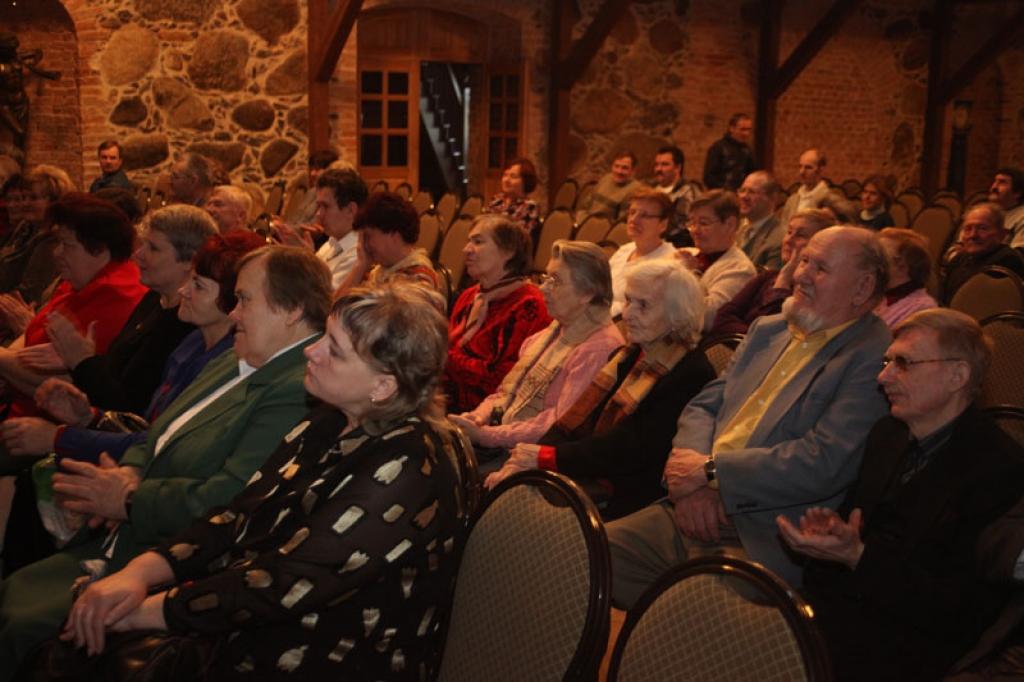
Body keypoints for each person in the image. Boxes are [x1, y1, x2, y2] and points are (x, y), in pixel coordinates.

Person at [22, 284, 469, 680]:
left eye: (334, 349)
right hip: (258, 619)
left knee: (81, 646)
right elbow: (240, 514)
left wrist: (143, 612)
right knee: (74, 638)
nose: (311, 351)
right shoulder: (331, 420)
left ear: (383, 387)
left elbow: (288, 581)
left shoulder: (414, 463)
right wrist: (140, 573)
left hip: (329, 654)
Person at [0, 246, 331, 676]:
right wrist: (129, 471)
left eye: (244, 299)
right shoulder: (241, 355)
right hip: (133, 536)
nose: (233, 312)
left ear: (292, 309)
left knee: (22, 625)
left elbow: (231, 497)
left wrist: (129, 498)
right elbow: (159, 433)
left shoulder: (294, 386)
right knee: (15, 590)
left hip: (176, 557)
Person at [606, 226, 892, 608]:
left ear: (862, 288)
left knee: (690, 613)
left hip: (759, 533)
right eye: (804, 260)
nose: (801, 274)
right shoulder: (768, 330)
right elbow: (704, 406)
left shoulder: (873, 356)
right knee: (580, 555)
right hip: (689, 507)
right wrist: (692, 485)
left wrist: (713, 474)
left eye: (820, 268)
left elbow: (824, 461)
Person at [777, 309, 1024, 681]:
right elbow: (860, 532)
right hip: (845, 611)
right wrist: (832, 537)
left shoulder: (998, 466)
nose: (883, 377)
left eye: (904, 363)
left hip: (913, 646)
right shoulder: (887, 434)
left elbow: (960, 609)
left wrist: (858, 557)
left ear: (958, 376)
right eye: (887, 362)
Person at [484, 258, 716, 520]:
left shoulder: (690, 372)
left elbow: (628, 450)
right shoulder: (627, 355)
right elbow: (571, 422)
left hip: (628, 495)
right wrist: (528, 459)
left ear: (678, 315)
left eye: (643, 305)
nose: (627, 314)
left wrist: (547, 457)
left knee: (511, 508)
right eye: (628, 301)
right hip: (588, 470)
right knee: (498, 488)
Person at [449, 240, 623, 461]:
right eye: (545, 278)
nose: (543, 288)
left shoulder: (598, 348)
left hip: (531, 459)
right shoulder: (551, 332)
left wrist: (486, 436)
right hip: (501, 440)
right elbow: (506, 394)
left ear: (587, 292)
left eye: (555, 280)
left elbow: (557, 425)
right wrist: (478, 417)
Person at [0, 193, 147, 427]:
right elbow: (32, 334)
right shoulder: (81, 279)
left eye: (67, 245)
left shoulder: (118, 297)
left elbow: (59, 383)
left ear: (100, 250)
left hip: (44, 427)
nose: (56, 252)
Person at [445, 215, 551, 414]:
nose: (466, 249)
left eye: (478, 242)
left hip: (488, 415)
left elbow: (503, 381)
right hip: (449, 403)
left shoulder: (530, 306)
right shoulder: (470, 296)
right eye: (468, 241)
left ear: (508, 252)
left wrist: (442, 357)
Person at [710, 208, 833, 337]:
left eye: (801, 235)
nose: (789, 240)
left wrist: (783, 280)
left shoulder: (810, 290)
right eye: (789, 232)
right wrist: (752, 335)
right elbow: (722, 318)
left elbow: (775, 335)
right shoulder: (767, 276)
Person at [678, 190, 756, 332]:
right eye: (692, 223)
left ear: (730, 225)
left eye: (703, 223)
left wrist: (689, 275)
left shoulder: (739, 269)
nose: (695, 230)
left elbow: (708, 317)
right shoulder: (691, 255)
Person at [334, 191, 440, 296]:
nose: (363, 245)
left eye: (368, 236)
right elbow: (337, 306)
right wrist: (360, 265)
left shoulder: (419, 280)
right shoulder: (380, 272)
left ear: (393, 234)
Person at [0, 165, 74, 304]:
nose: (25, 203)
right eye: (24, 197)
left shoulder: (53, 239)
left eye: (33, 198)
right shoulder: (26, 229)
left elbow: (29, 293)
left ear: (55, 202)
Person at [608, 189, 680, 318]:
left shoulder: (669, 263)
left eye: (645, 215)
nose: (634, 219)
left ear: (663, 224)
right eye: (632, 212)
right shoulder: (624, 250)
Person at [940, 203, 1024, 304]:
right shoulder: (959, 258)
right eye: (968, 229)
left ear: (1002, 234)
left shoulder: (1007, 261)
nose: (973, 235)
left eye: (982, 228)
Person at [310, 167, 369, 288]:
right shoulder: (331, 243)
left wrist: (306, 257)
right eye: (319, 206)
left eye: (325, 206)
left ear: (351, 210)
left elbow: (321, 297)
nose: (318, 214)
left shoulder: (358, 254)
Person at [873, 228, 937, 328]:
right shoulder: (875, 295)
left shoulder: (922, 309)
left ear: (903, 266)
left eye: (879, 256)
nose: (870, 263)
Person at [735, 170, 783, 270]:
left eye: (751, 192)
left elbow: (769, 278)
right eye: (742, 190)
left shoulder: (779, 238)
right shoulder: (735, 229)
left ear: (772, 198)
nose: (744, 196)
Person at [484, 157, 541, 240]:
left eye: (513, 176)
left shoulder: (530, 207)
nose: (506, 180)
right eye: (505, 175)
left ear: (525, 181)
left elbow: (517, 238)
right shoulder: (497, 201)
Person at [578, 150, 642, 223]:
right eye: (616, 166)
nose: (619, 171)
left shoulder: (635, 189)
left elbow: (619, 224)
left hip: (601, 227)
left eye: (625, 168)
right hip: (585, 221)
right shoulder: (607, 178)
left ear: (633, 170)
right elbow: (585, 205)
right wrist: (580, 218)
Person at [778, 148, 831, 229]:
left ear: (821, 170)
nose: (801, 172)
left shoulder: (829, 200)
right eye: (800, 166)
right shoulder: (792, 199)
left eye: (808, 167)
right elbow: (783, 227)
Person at [702, 113, 755, 191]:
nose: (746, 133)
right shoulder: (718, 148)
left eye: (748, 129)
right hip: (722, 194)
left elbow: (752, 174)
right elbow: (709, 177)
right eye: (742, 129)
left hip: (741, 194)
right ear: (731, 128)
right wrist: (725, 191)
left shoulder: (747, 150)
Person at [988, 167, 1024, 248]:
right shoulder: (984, 214)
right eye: (994, 181)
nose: (994, 187)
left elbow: (1017, 253)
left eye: (1002, 182)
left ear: (1017, 193)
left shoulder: (1021, 218)